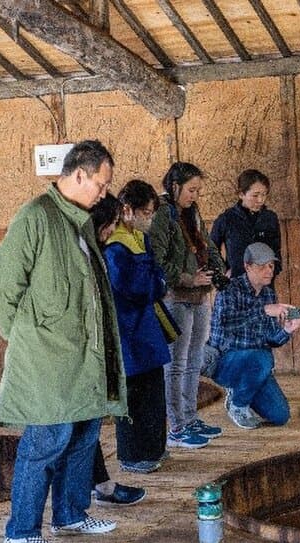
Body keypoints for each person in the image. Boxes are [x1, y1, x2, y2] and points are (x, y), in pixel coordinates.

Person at [0, 140, 128, 543]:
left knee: (84, 433)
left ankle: (70, 513)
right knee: (47, 438)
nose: (104, 193)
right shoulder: (36, 217)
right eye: (101, 184)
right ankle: (21, 530)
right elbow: (2, 288)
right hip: (48, 359)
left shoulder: (79, 222)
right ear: (79, 174)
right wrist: (27, 338)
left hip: (83, 356)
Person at [148, 162, 226, 449]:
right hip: (176, 297)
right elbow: (157, 260)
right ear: (175, 186)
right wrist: (187, 278)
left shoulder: (191, 213)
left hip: (199, 295)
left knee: (194, 361)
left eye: (198, 190)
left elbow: (207, 244)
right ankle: (177, 426)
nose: (194, 195)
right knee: (176, 364)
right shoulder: (162, 214)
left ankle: (191, 418)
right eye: (191, 190)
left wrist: (220, 270)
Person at [103, 180, 171, 473]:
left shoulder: (140, 240)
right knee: (132, 393)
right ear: (128, 210)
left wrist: (156, 284)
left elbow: (158, 276)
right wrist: (155, 285)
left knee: (154, 390)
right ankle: (132, 453)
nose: (150, 219)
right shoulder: (115, 245)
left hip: (146, 326)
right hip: (128, 327)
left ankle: (155, 447)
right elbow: (135, 287)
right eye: (146, 212)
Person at [88, 193, 147, 506]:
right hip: (78, 353)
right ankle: (90, 492)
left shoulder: (97, 251)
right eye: (110, 224)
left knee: (87, 427)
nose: (113, 230)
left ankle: (98, 486)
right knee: (76, 430)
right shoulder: (89, 252)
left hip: (96, 349)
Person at [207, 242, 300, 429]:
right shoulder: (229, 290)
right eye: (261, 266)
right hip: (225, 360)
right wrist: (264, 310)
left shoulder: (268, 294)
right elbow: (229, 324)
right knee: (262, 357)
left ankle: (242, 390)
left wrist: (287, 330)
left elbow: (271, 339)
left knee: (280, 415)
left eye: (271, 266)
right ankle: (238, 405)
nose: (268, 271)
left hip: (257, 363)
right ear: (247, 266)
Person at [210, 169, 282, 280]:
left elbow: (276, 250)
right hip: (236, 282)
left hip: (264, 285)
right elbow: (211, 248)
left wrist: (273, 271)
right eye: (255, 195)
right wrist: (223, 271)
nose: (260, 200)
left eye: (264, 195)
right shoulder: (227, 219)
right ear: (241, 194)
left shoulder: (270, 218)